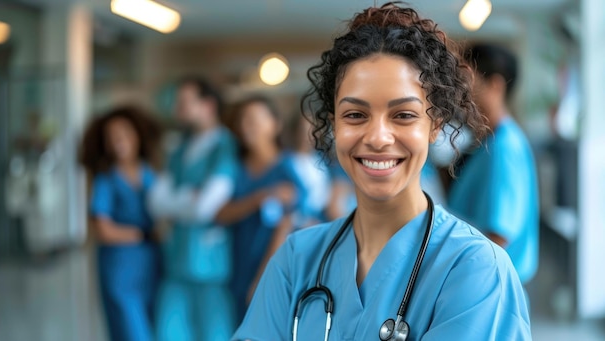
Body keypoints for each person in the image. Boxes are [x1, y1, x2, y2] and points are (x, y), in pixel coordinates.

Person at [232, 3, 531, 340]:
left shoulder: (476, 269)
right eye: (355, 115)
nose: (376, 137)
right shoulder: (296, 260)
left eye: (403, 115)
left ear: (434, 126)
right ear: (333, 126)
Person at [147, 76, 238, 341]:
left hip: (210, 266)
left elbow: (205, 208)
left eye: (185, 102)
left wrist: (177, 200)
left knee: (214, 333)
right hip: (176, 261)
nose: (178, 109)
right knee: (169, 332)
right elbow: (154, 202)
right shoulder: (179, 149)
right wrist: (190, 197)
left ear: (208, 105)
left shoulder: (224, 146)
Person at [448, 43, 539, 284]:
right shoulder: (490, 142)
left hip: (489, 282)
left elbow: (498, 235)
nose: (461, 94)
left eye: (469, 83)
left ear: (495, 86)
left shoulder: (504, 148)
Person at [215, 95, 304, 325]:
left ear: (276, 124)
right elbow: (221, 214)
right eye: (243, 120)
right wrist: (260, 197)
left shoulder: (286, 170)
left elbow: (285, 228)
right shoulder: (235, 168)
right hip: (236, 266)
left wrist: (264, 278)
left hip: (270, 269)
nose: (247, 126)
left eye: (255, 119)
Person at [79, 106, 162, 341]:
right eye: (111, 137)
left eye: (124, 133)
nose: (119, 141)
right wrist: (144, 235)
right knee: (131, 331)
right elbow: (104, 230)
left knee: (153, 326)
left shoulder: (151, 174)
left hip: (152, 263)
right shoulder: (106, 179)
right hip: (120, 266)